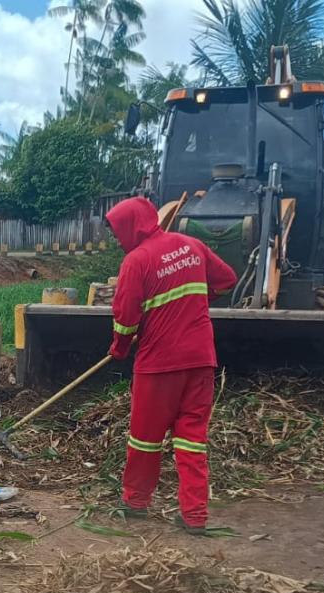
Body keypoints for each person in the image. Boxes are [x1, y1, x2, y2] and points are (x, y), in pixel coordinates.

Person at [105, 196, 239, 533]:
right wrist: (191, 303)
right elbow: (227, 280)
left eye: (118, 231)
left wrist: (119, 348)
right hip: (201, 362)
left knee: (144, 439)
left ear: (131, 227)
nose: (118, 239)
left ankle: (136, 501)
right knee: (192, 440)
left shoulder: (136, 261)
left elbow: (125, 319)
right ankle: (194, 515)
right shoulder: (191, 245)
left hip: (159, 366)